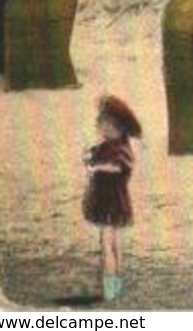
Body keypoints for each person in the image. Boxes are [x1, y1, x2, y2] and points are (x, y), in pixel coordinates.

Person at [82, 95, 142, 303]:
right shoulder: (106, 146)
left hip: (112, 202)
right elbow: (91, 156)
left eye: (107, 125)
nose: (103, 129)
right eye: (102, 125)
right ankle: (115, 283)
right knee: (112, 241)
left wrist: (97, 166)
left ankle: (111, 286)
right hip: (108, 200)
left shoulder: (121, 149)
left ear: (119, 127)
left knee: (108, 243)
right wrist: (89, 158)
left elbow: (117, 167)